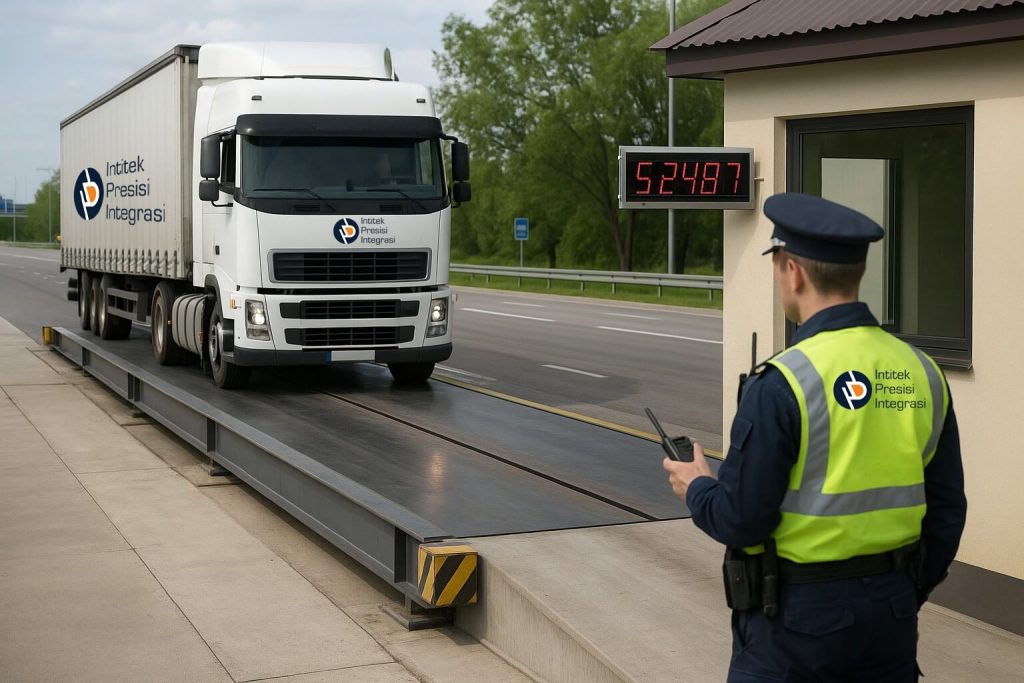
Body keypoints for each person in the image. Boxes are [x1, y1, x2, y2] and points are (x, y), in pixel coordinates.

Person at [663, 192, 967, 682]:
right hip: (891, 612)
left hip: (795, 624)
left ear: (793, 273)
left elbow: (743, 521)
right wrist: (904, 591)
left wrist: (697, 486)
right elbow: (948, 509)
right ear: (856, 274)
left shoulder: (784, 381)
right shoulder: (923, 371)